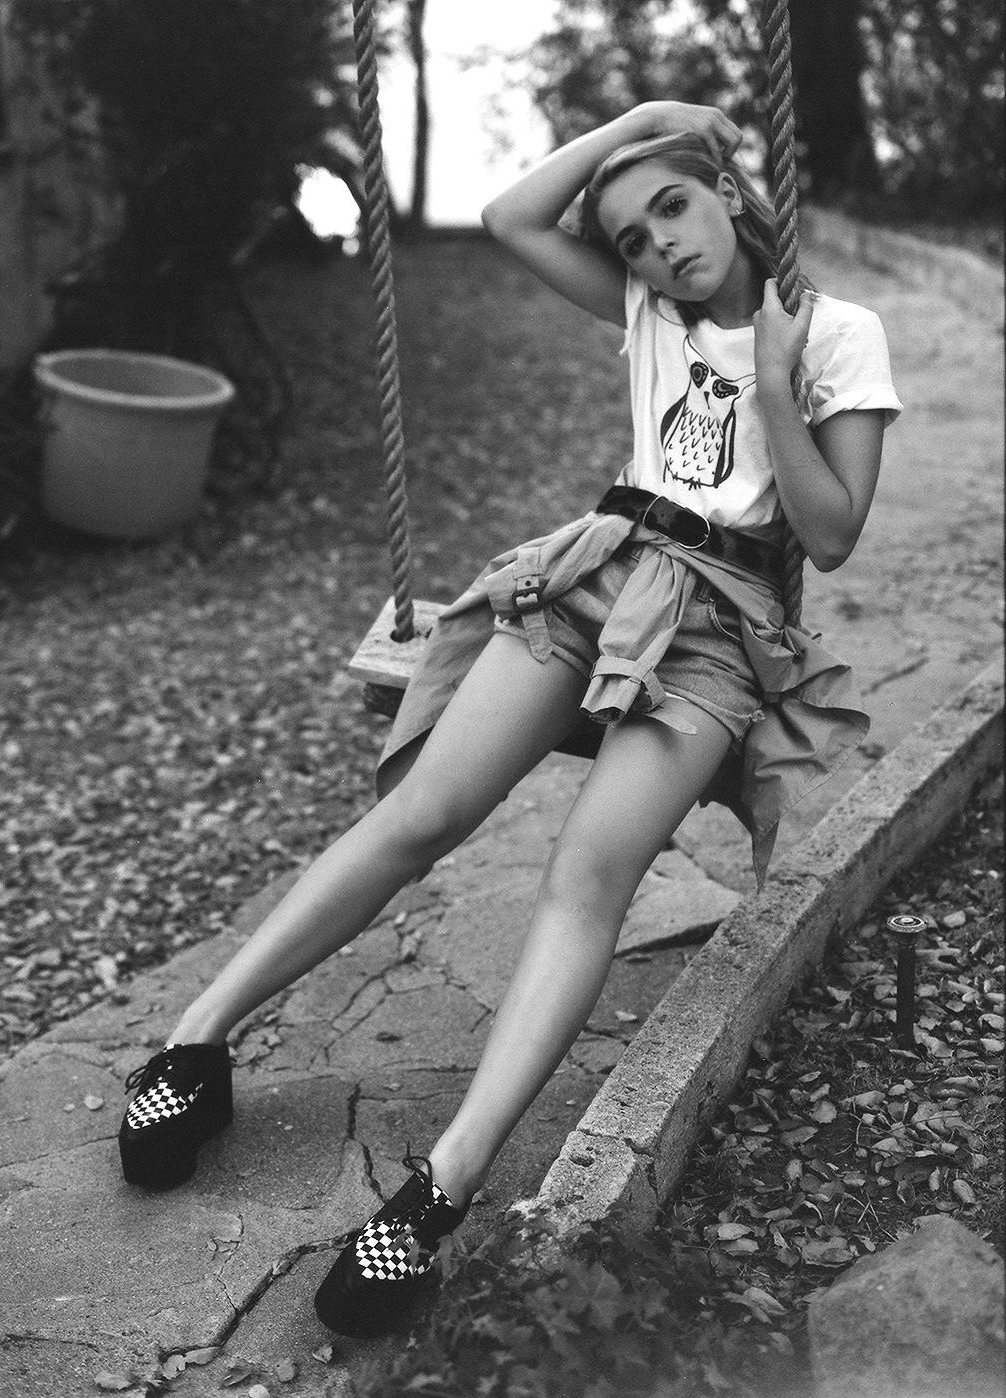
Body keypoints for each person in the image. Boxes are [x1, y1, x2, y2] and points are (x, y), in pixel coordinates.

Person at [117, 100, 902, 1338]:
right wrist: (650, 118)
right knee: (423, 813)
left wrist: (770, 378)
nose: (658, 247)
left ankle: (439, 1189)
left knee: (585, 876)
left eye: (673, 207)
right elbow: (508, 216)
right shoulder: (645, 310)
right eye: (632, 237)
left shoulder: (838, 333)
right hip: (592, 571)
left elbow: (832, 532)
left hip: (716, 627)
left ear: (727, 192)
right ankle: (194, 1043)